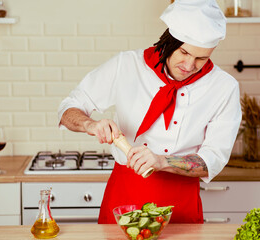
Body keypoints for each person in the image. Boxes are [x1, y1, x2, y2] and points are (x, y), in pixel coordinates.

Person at [58, 0, 241, 224]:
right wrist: (91, 125)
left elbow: (212, 159)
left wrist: (162, 161)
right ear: (169, 40)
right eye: (184, 52)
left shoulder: (223, 87)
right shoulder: (127, 65)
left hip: (181, 201)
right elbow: (69, 107)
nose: (189, 65)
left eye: (201, 58)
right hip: (125, 194)